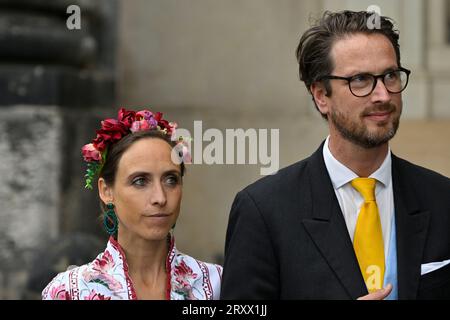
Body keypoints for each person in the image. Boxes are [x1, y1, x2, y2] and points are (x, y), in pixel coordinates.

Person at [221, 10, 450, 300]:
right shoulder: (263, 210)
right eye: (360, 80)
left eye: (390, 76)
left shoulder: (442, 199)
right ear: (321, 95)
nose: (382, 95)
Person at [42, 108, 222, 300]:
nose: (160, 198)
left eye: (171, 180)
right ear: (106, 191)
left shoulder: (216, 283)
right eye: (140, 181)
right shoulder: (69, 291)